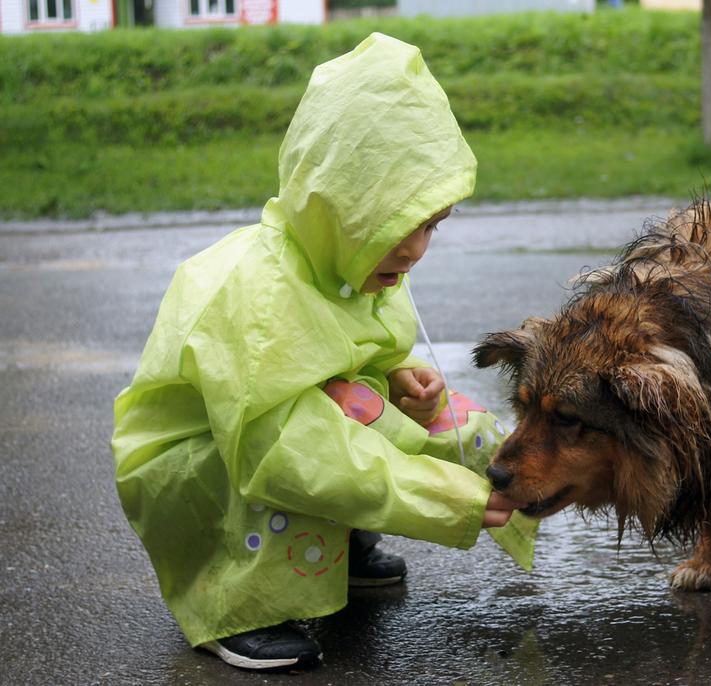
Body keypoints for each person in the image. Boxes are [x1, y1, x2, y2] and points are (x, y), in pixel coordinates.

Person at [111, 33, 535, 672]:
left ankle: (338, 547)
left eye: (430, 224)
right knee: (318, 445)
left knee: (404, 413)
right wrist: (441, 498)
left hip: (290, 434)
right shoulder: (256, 292)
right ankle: (239, 605)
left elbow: (361, 357)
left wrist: (398, 377)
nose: (415, 248)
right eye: (395, 225)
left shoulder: (351, 262)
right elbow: (285, 449)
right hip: (206, 464)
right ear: (336, 206)